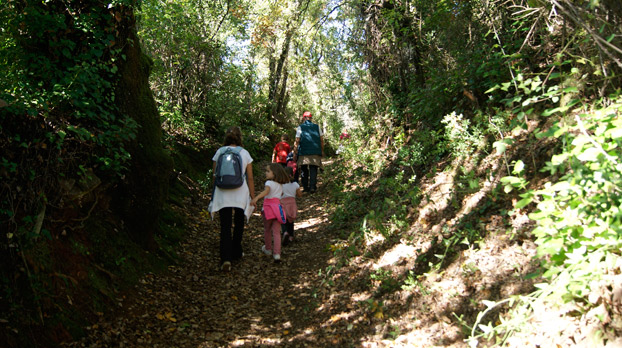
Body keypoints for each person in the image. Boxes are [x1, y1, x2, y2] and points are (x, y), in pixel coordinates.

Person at [208, 126, 255, 272]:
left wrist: (213, 193)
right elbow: (250, 178)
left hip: (223, 193)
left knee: (225, 225)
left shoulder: (220, 152)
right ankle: (236, 250)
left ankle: (226, 258)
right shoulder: (244, 153)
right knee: (239, 222)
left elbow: (215, 175)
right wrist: (253, 197)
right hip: (240, 193)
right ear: (240, 137)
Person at [251, 163, 290, 262]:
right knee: (277, 232)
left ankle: (268, 249)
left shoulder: (268, 183)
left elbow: (266, 192)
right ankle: (277, 253)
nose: (266, 173)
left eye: (268, 171)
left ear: (274, 173)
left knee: (267, 229)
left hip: (268, 209)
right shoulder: (280, 185)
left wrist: (256, 198)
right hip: (278, 209)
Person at [293, 111, 324, 193]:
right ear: (311, 118)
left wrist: (295, 152)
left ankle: (305, 187)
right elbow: (321, 140)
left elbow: (297, 140)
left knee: (304, 169)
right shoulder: (317, 127)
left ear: (304, 118)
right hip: (315, 152)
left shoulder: (300, 127)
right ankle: (312, 187)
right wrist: (322, 150)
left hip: (303, 152)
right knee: (313, 168)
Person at [281, 166, 302, 246]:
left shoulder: (281, 184)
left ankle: (285, 232)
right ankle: (291, 236)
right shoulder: (295, 184)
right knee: (291, 220)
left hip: (283, 203)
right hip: (292, 203)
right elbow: (299, 195)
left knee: (283, 219)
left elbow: (280, 193)